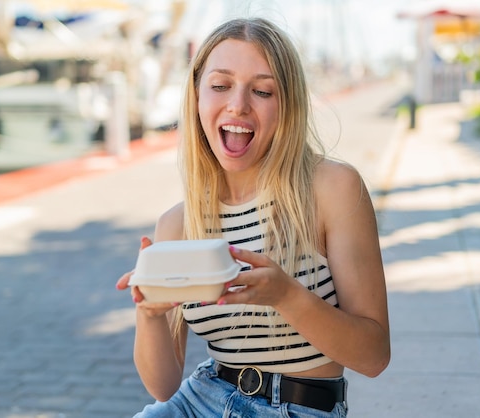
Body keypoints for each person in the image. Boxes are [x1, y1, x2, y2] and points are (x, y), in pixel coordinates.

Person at [116, 17, 390, 417]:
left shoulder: (333, 188)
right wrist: (150, 314)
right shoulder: (177, 223)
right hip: (201, 399)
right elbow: (162, 386)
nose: (238, 104)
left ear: (288, 104)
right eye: (220, 85)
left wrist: (286, 297)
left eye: (262, 91)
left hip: (298, 407)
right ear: (196, 97)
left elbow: (374, 356)